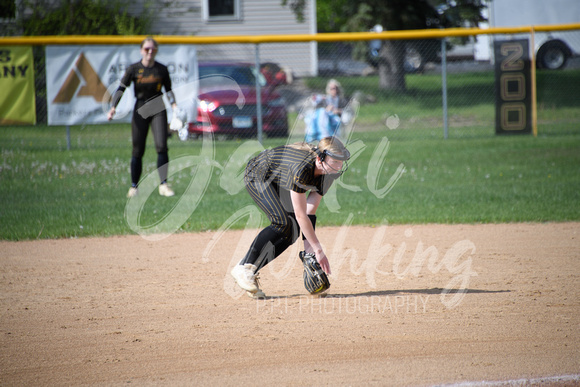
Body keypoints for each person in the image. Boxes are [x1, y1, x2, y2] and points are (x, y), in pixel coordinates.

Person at [231, 136, 351, 299]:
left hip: (282, 180)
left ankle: (249, 271)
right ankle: (244, 267)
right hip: (259, 174)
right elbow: (301, 215)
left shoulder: (328, 173)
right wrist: (318, 249)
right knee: (283, 222)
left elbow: (309, 212)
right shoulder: (302, 168)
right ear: (320, 159)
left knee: (292, 231)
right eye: (335, 161)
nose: (339, 166)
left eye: (341, 161)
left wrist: (309, 252)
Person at [108, 37, 177, 198]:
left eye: (152, 49)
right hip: (140, 108)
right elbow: (121, 88)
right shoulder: (134, 69)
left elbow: (169, 90)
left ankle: (163, 185)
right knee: (138, 149)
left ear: (156, 51)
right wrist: (113, 108)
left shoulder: (161, 69)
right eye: (146, 49)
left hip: (158, 108)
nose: (150, 52)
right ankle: (134, 187)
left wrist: (175, 106)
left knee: (161, 146)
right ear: (141, 50)